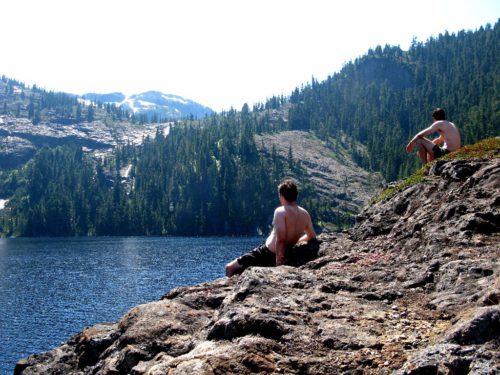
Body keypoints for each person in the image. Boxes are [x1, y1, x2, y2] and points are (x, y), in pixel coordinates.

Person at [225, 179, 317, 277]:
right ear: (296, 195)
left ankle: (229, 289)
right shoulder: (305, 214)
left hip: (266, 253)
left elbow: (281, 240)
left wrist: (279, 266)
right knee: (241, 271)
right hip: (286, 253)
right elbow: (312, 236)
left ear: (281, 196)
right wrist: (294, 242)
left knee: (229, 268)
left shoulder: (281, 211)